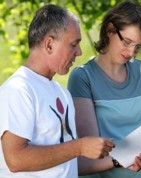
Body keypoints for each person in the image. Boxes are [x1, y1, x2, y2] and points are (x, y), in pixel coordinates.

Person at [68, 1, 141, 178]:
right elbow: (91, 155)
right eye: (127, 42)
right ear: (110, 30)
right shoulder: (83, 77)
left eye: (138, 46)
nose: (131, 52)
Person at [0, 4, 115, 178]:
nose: (79, 52)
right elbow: (16, 160)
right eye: (73, 44)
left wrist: (123, 160)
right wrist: (80, 147)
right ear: (49, 44)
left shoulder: (62, 93)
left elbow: (68, 162)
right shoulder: (19, 89)